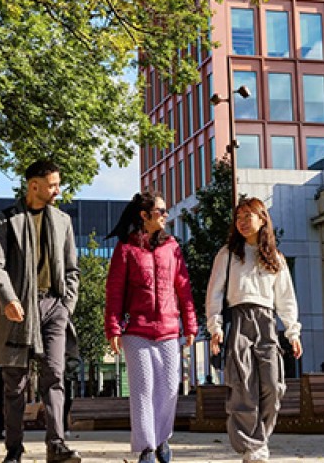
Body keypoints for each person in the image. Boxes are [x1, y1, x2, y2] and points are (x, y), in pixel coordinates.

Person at [0, 159, 82, 463]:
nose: (57, 190)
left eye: (57, 184)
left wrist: (67, 305)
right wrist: (8, 299)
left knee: (54, 375)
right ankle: (14, 449)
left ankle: (57, 445)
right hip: (18, 310)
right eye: (52, 185)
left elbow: (71, 270)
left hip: (54, 307)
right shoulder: (4, 220)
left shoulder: (63, 221)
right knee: (15, 382)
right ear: (33, 185)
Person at [205, 197, 302, 463]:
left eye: (249, 216)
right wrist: (215, 326)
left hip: (267, 322)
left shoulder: (275, 258)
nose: (243, 222)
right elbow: (214, 292)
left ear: (262, 219)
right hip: (238, 319)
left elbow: (286, 298)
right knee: (243, 385)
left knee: (273, 384)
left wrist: (292, 332)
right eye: (239, 217)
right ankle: (251, 445)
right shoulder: (227, 254)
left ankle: (259, 440)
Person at [104, 191, 198, 463]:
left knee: (170, 388)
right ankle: (146, 448)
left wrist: (190, 324)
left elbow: (184, 288)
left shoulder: (172, 247)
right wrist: (113, 328)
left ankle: (162, 439)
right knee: (143, 388)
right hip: (137, 332)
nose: (165, 215)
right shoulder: (126, 248)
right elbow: (115, 291)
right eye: (160, 211)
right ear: (144, 216)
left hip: (169, 330)